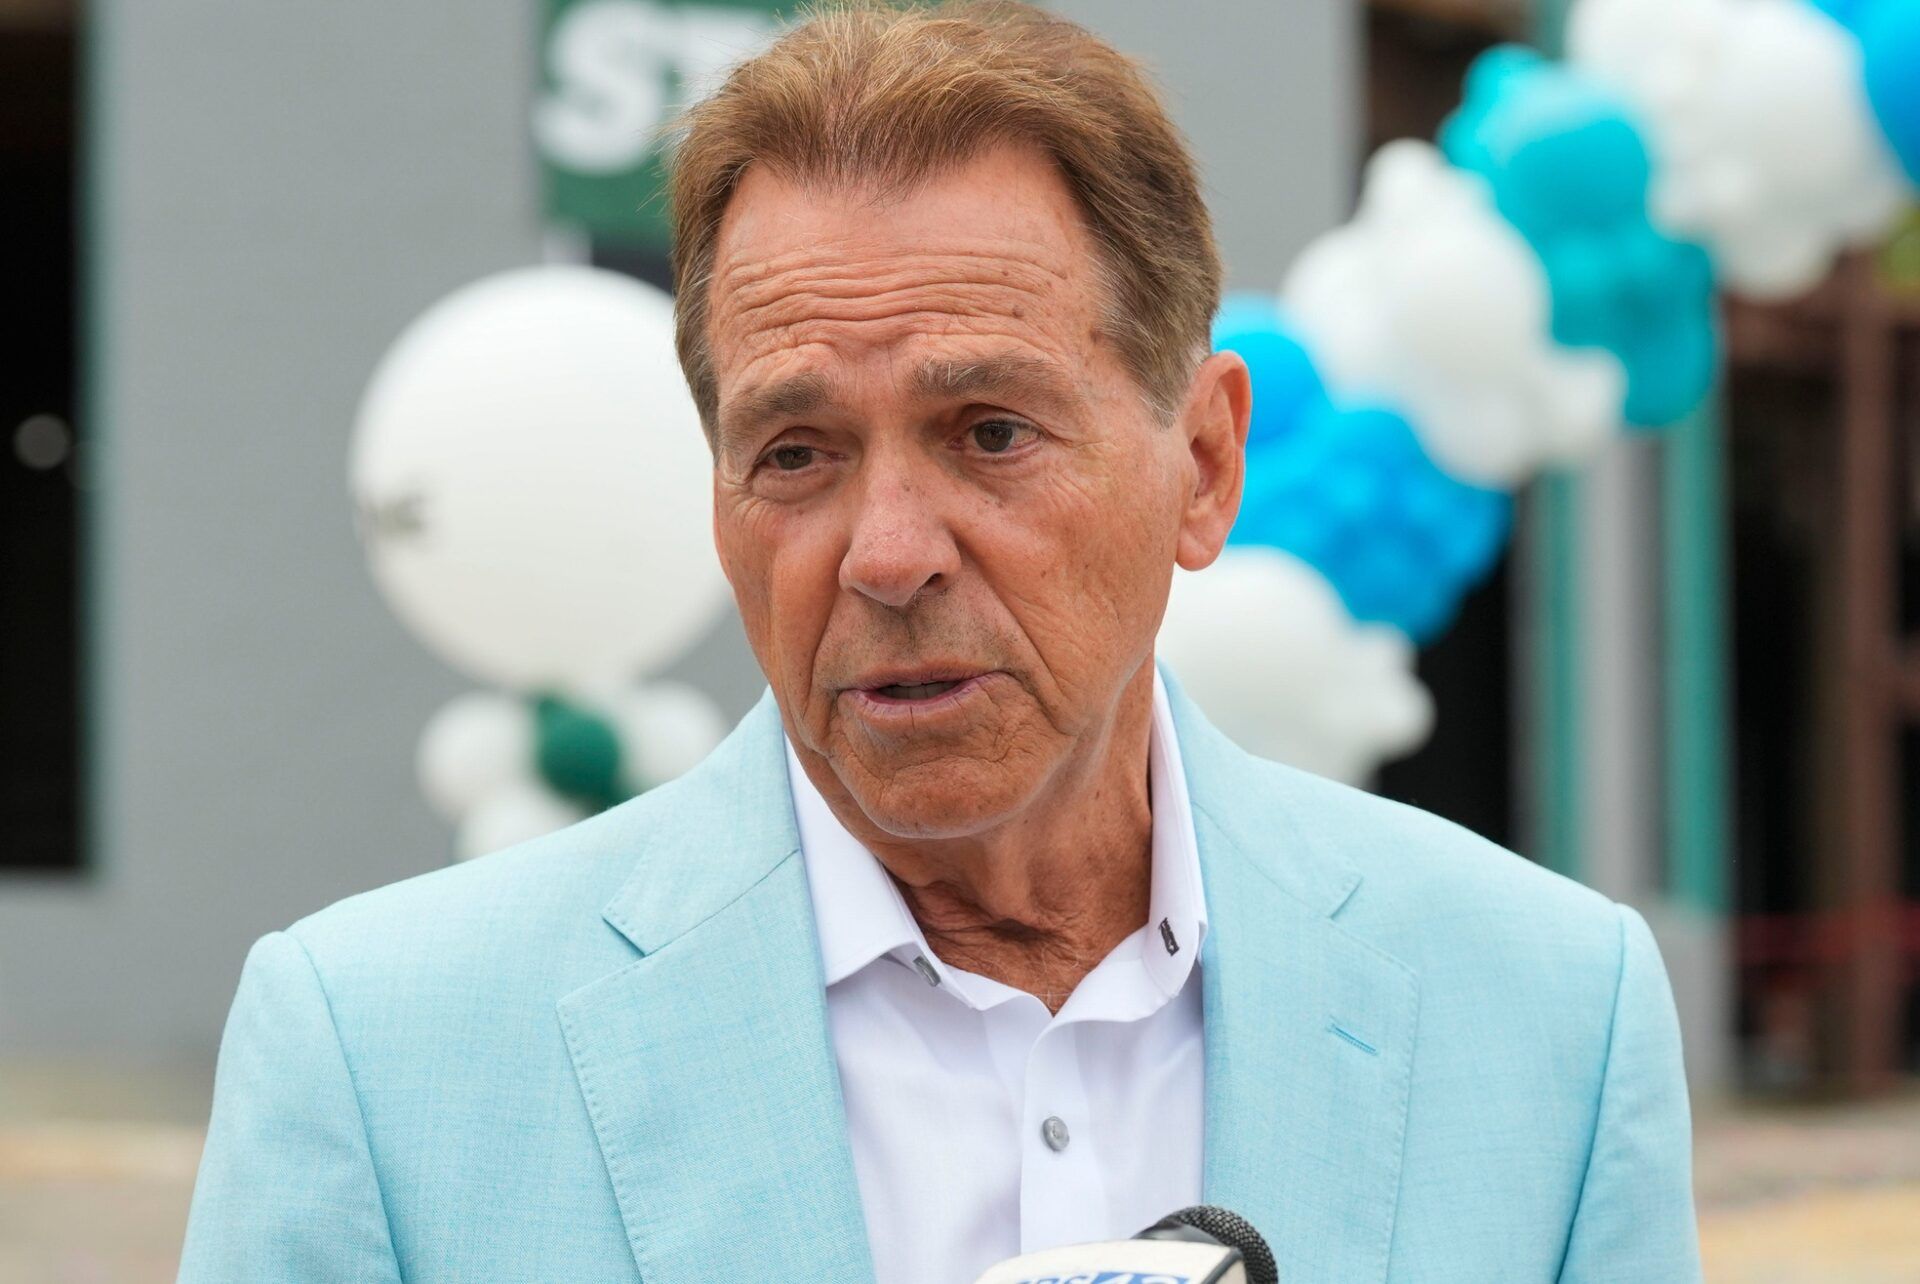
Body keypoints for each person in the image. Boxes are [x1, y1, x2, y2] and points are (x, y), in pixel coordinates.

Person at [177, 4, 1701, 1280]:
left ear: (1204, 465)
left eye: (989, 431)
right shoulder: (378, 1063)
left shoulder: (1548, 1020)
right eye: (795, 453)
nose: (889, 553)